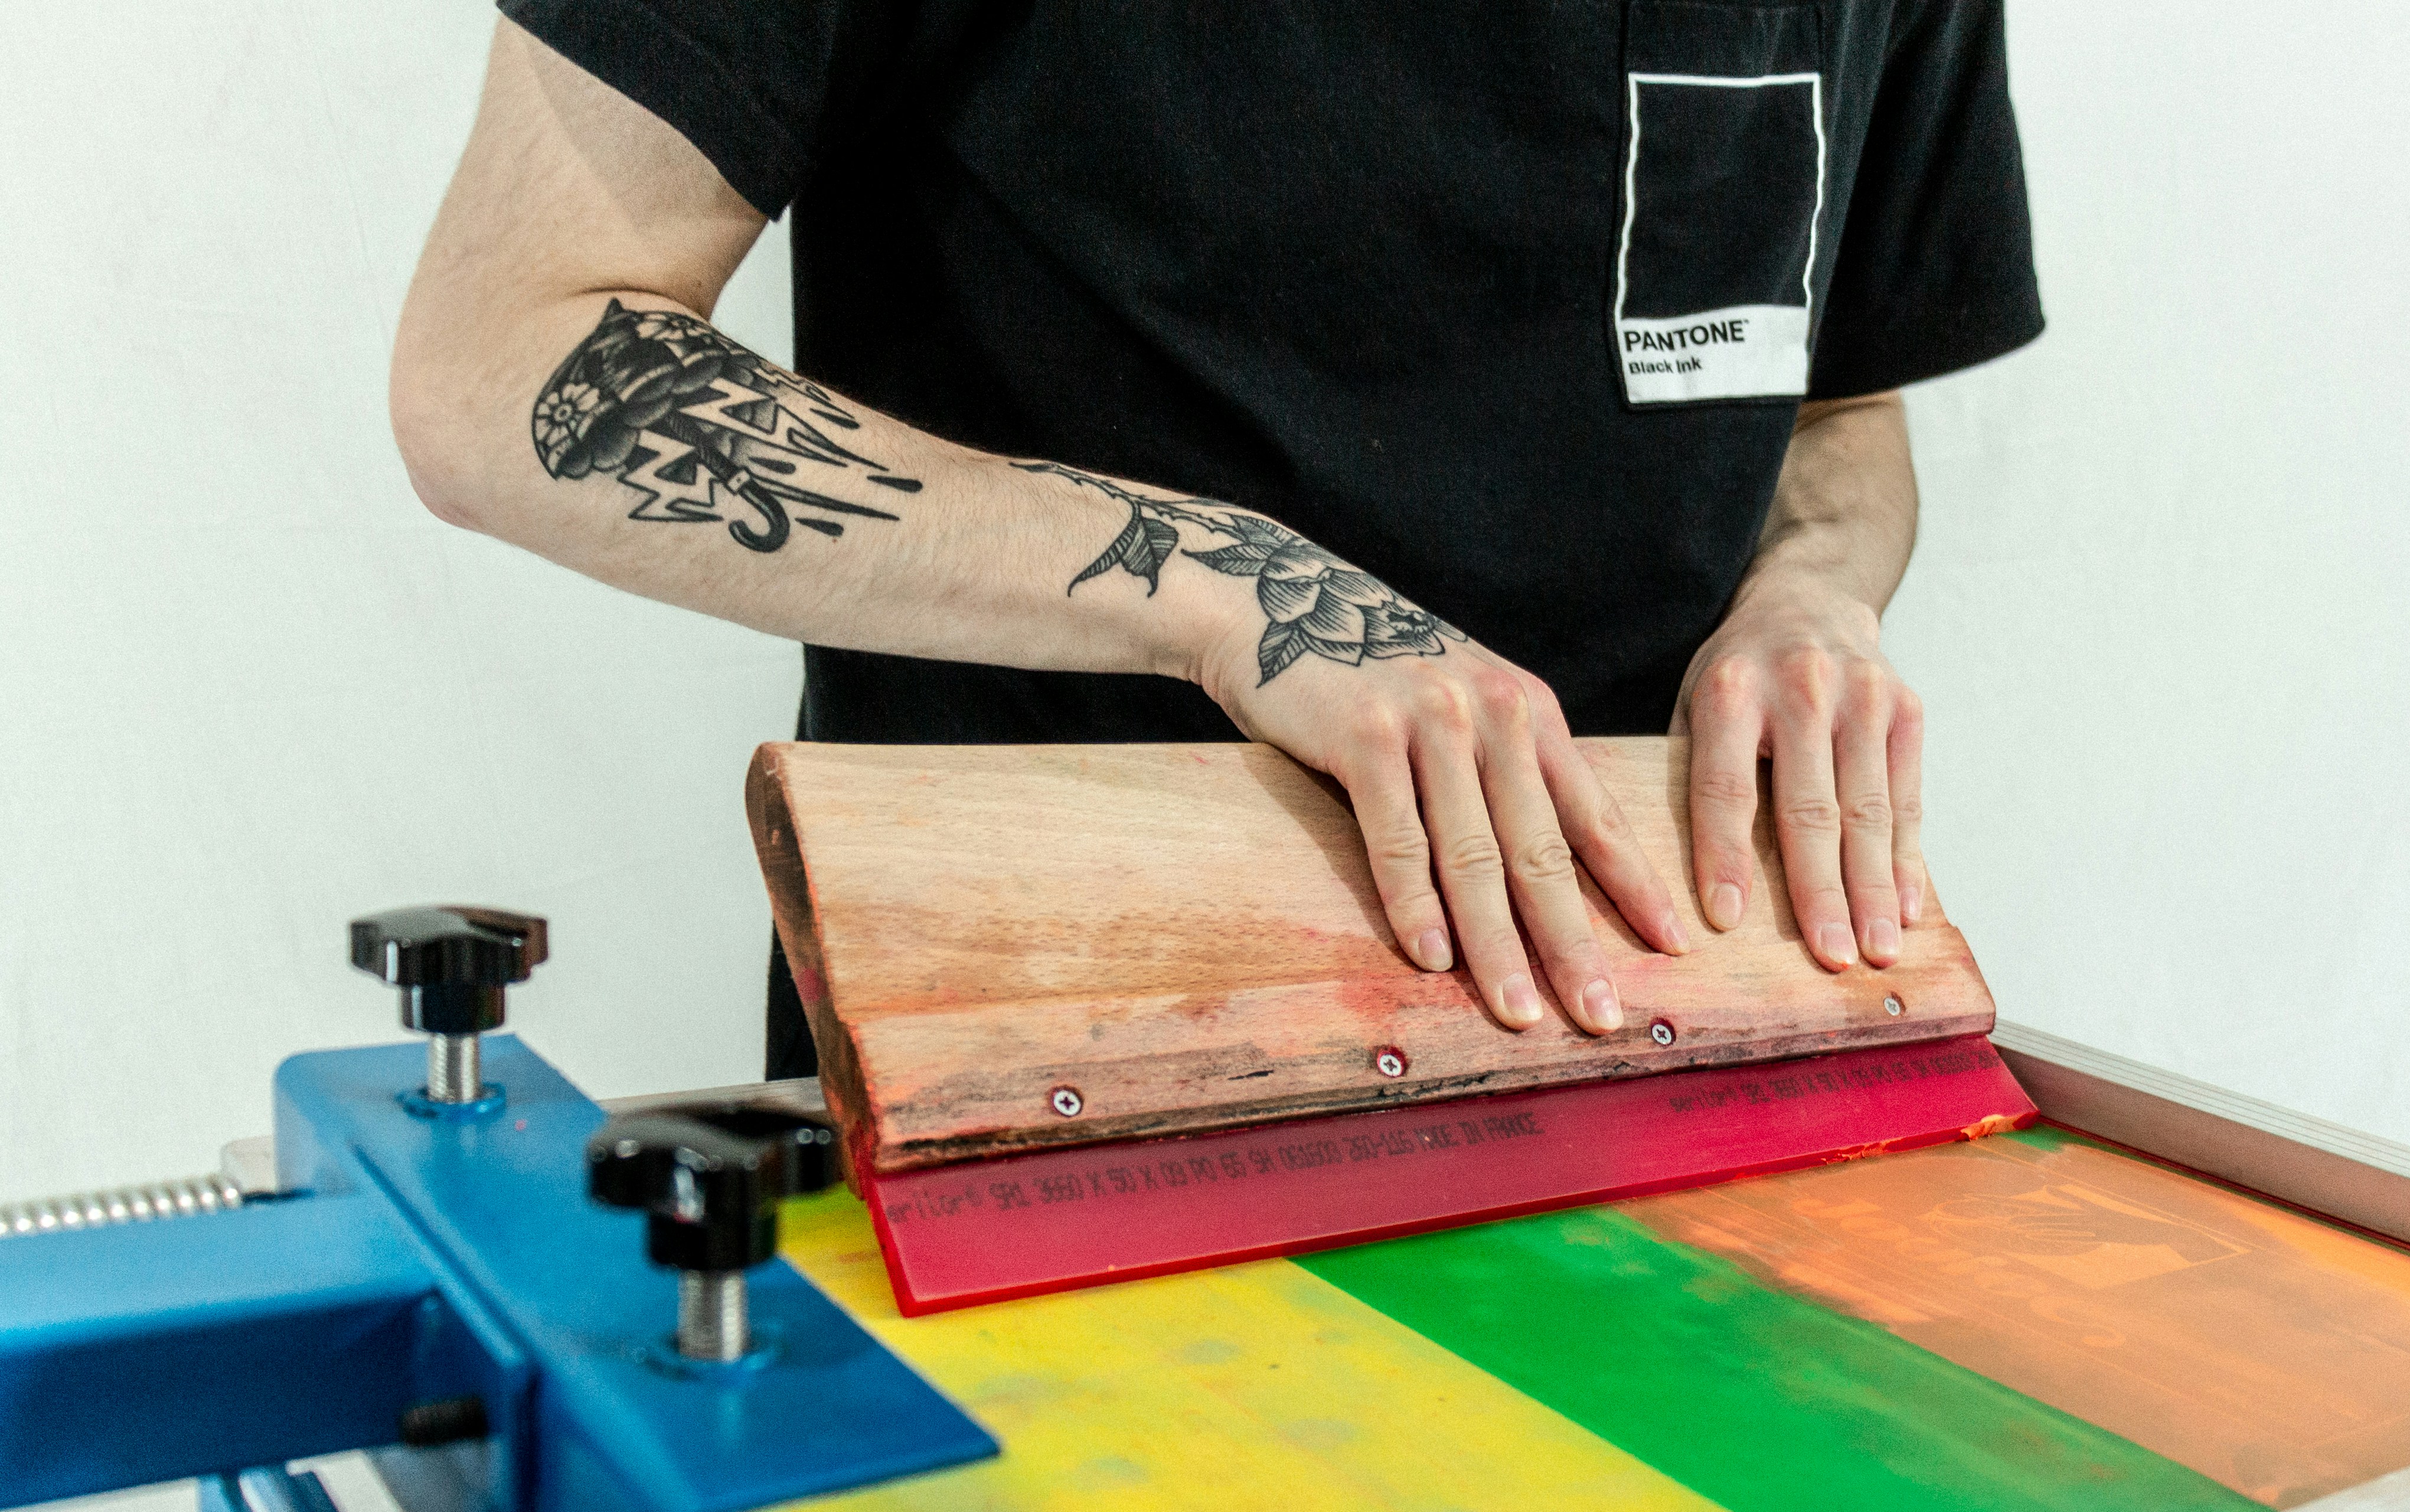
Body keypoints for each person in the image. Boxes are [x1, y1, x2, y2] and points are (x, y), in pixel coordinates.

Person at [392, 0, 2042, 1078]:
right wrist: (1234, 593)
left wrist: (1812, 590)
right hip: (1056, 1042)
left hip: (1664, 1008)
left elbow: (1837, 395)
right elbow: (507, 365)